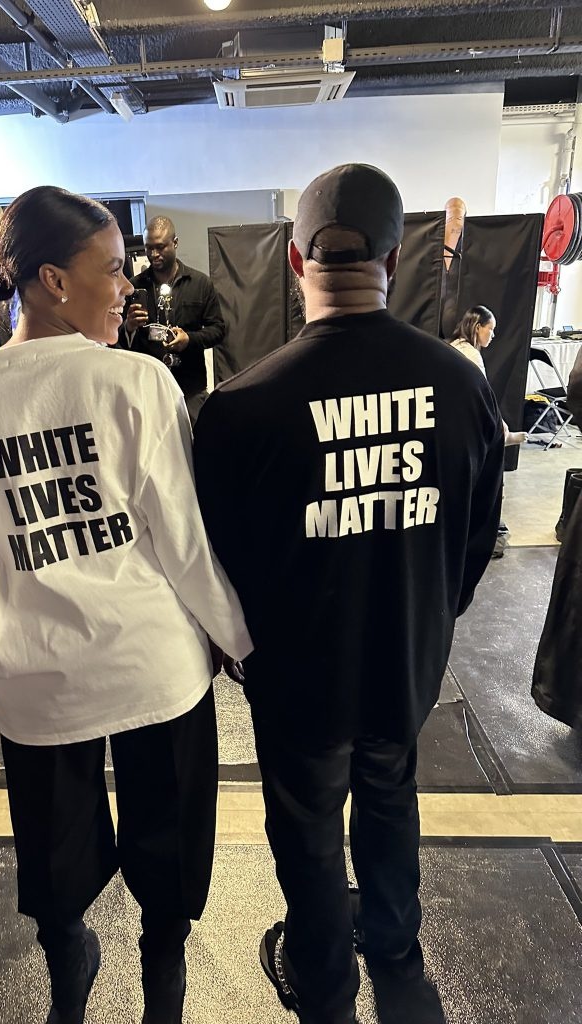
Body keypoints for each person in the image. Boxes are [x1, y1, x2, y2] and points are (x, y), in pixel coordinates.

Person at [0, 186, 251, 1024]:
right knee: (169, 844)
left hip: (37, 679)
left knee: (54, 857)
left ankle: (68, 976)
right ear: (51, 281)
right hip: (154, 668)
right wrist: (239, 640)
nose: (127, 286)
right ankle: (162, 984)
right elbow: (183, 541)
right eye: (111, 270)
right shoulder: (138, 382)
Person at [193, 164, 505, 1024]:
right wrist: (429, 617)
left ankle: (325, 985)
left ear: (296, 262)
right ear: (398, 259)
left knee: (305, 830)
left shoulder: (237, 407)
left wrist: (251, 651)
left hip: (298, 679)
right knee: (390, 797)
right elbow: (478, 537)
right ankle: (396, 954)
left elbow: (213, 565)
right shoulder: (462, 384)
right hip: (405, 660)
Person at [120, 216, 225, 424]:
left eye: (160, 247)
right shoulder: (133, 287)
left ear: (175, 243)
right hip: (148, 390)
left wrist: (190, 340)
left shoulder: (200, 284)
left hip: (190, 389)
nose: (153, 254)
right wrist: (129, 327)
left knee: (197, 448)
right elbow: (116, 340)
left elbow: (218, 330)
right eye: (148, 248)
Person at [449, 306, 527, 447]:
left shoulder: (455, 345)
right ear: (478, 327)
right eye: (491, 329)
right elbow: (484, 393)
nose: (493, 335)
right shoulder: (471, 354)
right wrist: (502, 426)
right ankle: (502, 435)